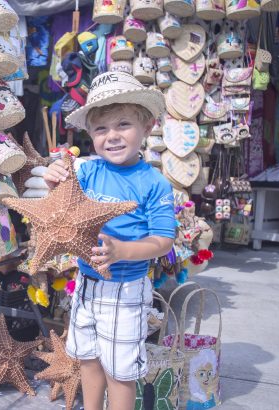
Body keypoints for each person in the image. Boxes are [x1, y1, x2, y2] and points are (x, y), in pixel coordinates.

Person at [43, 72, 176, 410]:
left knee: (120, 371)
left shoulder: (153, 182)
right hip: (86, 284)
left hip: (125, 291)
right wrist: (52, 180)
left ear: (146, 126)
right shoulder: (86, 172)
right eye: (101, 129)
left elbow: (163, 241)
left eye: (123, 125)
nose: (112, 136)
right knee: (87, 359)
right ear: (90, 134)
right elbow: (61, 206)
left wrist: (122, 251)